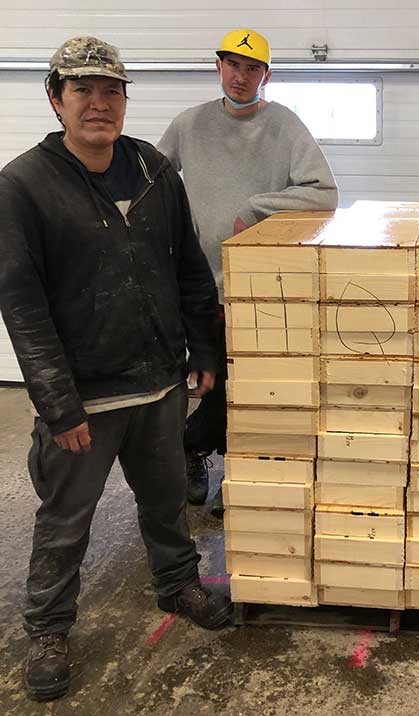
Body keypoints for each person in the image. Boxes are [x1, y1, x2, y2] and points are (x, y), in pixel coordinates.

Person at [0, 37, 232, 702]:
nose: (98, 104)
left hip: (159, 382)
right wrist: (56, 403)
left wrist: (203, 352)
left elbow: (188, 266)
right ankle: (47, 628)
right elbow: (21, 303)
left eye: (111, 91)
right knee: (66, 519)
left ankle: (178, 583)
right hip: (86, 396)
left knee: (165, 500)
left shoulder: (155, 170)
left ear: (126, 100)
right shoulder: (23, 186)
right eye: (82, 91)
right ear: (55, 98)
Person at [158, 28, 339, 515]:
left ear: (266, 75)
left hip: (262, 286)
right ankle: (196, 453)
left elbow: (323, 192)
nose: (241, 77)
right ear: (218, 67)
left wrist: (258, 208)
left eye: (252, 68)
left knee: (254, 385)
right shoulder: (188, 125)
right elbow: (153, 184)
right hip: (198, 285)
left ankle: (221, 466)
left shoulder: (284, 125)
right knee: (210, 378)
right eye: (233, 65)